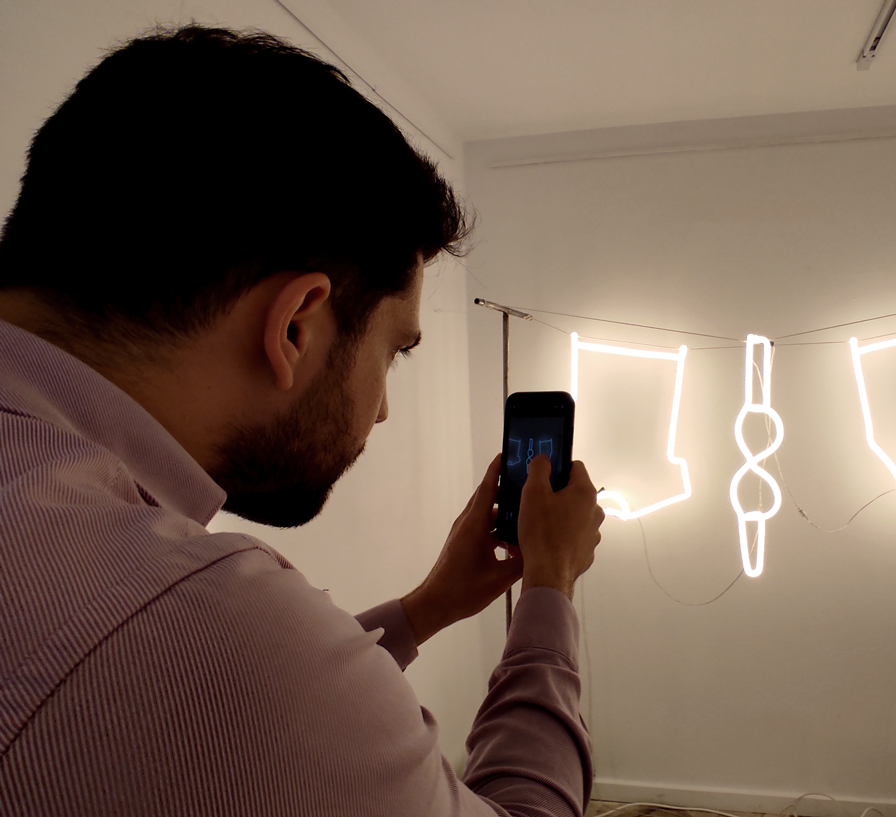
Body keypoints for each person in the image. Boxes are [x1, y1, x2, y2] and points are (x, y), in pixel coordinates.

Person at [0, 25, 604, 817]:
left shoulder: (116, 596)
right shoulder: (210, 627)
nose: (382, 409)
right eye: (395, 351)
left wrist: (426, 608)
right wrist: (551, 584)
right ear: (295, 326)